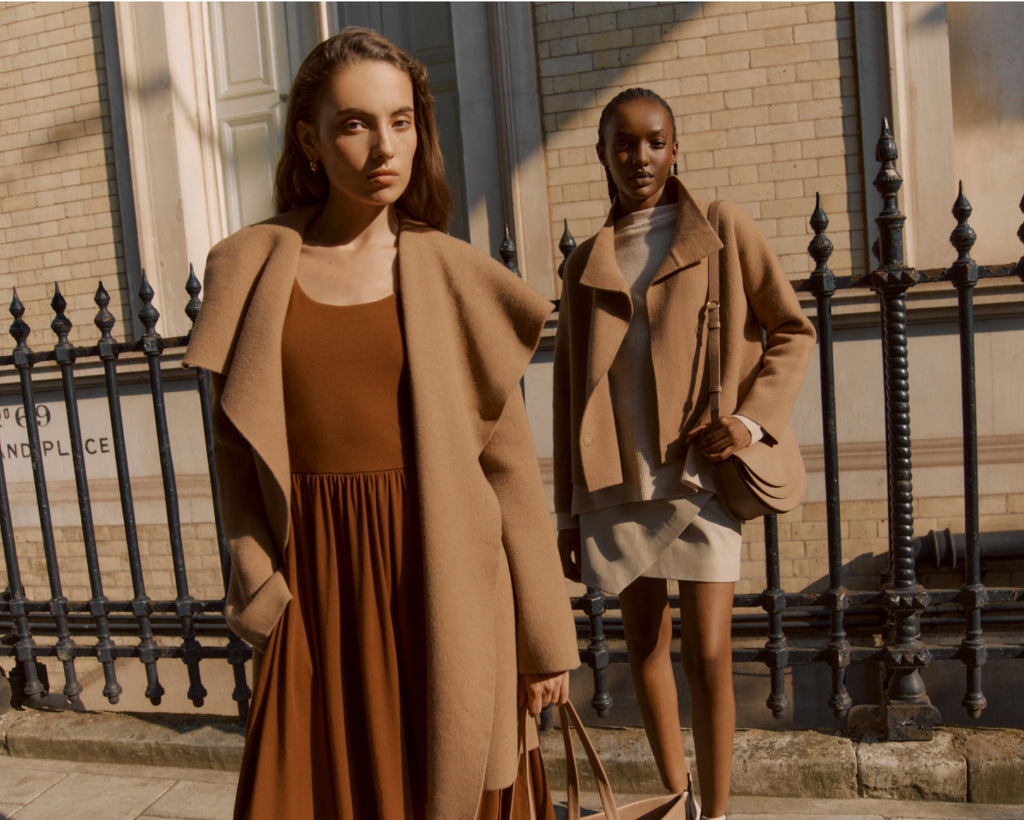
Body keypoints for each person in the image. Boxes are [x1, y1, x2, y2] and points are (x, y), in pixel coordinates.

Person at [185, 28, 579, 820]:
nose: (383, 146)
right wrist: (260, 584)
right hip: (317, 597)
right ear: (310, 137)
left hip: (445, 585)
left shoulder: (455, 273)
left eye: (401, 121)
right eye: (356, 123)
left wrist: (544, 642)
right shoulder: (254, 268)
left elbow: (508, 470)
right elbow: (235, 457)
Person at [552, 87, 815, 820]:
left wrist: (752, 423)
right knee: (643, 649)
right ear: (602, 154)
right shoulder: (584, 263)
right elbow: (569, 392)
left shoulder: (721, 228)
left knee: (707, 655)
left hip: (698, 480)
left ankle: (720, 814)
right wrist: (568, 513)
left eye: (656, 141)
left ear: (677, 148)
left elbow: (792, 331)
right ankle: (678, 802)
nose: (641, 156)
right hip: (616, 482)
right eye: (625, 143)